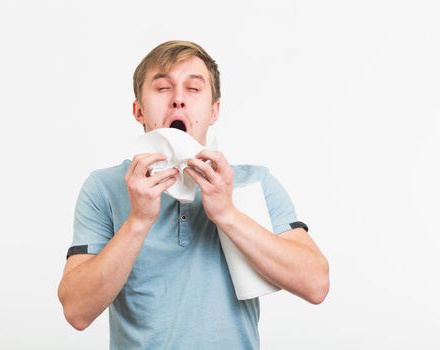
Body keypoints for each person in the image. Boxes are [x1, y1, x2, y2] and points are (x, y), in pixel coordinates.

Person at [58, 40, 329, 349]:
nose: (178, 100)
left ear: (214, 110)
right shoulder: (104, 188)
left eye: (193, 89)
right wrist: (137, 222)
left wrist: (227, 214)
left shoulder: (255, 182)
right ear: (138, 110)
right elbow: (76, 311)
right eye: (162, 88)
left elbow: (315, 284)